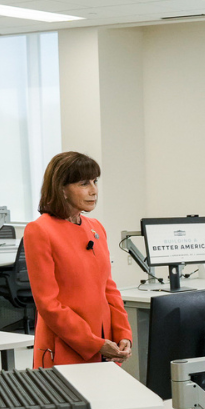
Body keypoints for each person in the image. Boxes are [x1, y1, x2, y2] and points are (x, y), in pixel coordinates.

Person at [24, 151, 132, 368]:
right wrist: (93, 343)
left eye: (95, 181)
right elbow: (48, 304)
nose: (94, 190)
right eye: (84, 183)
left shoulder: (96, 227)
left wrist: (124, 334)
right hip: (65, 348)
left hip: (106, 347)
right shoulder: (39, 230)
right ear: (61, 189)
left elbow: (109, 288)